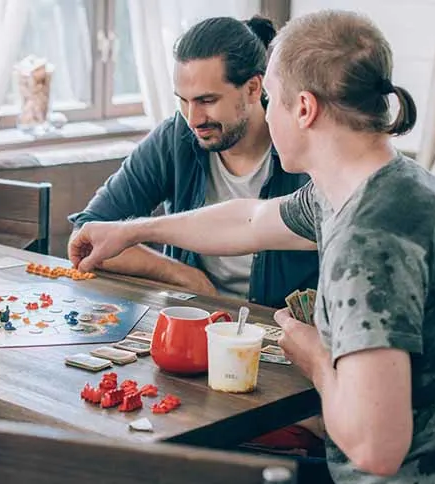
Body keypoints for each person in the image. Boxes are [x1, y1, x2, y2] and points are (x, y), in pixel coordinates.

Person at [70, 9, 435, 484]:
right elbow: (250, 218)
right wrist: (133, 230)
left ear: (303, 108)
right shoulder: (379, 183)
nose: (269, 113)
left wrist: (314, 358)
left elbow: (377, 446)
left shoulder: (370, 237)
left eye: (272, 100)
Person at [68, 15, 318, 309]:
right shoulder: (176, 138)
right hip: (194, 321)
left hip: (280, 333)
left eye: (207, 101)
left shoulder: (304, 147)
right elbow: (86, 236)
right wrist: (183, 275)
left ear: (253, 88)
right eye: (183, 101)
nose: (193, 119)